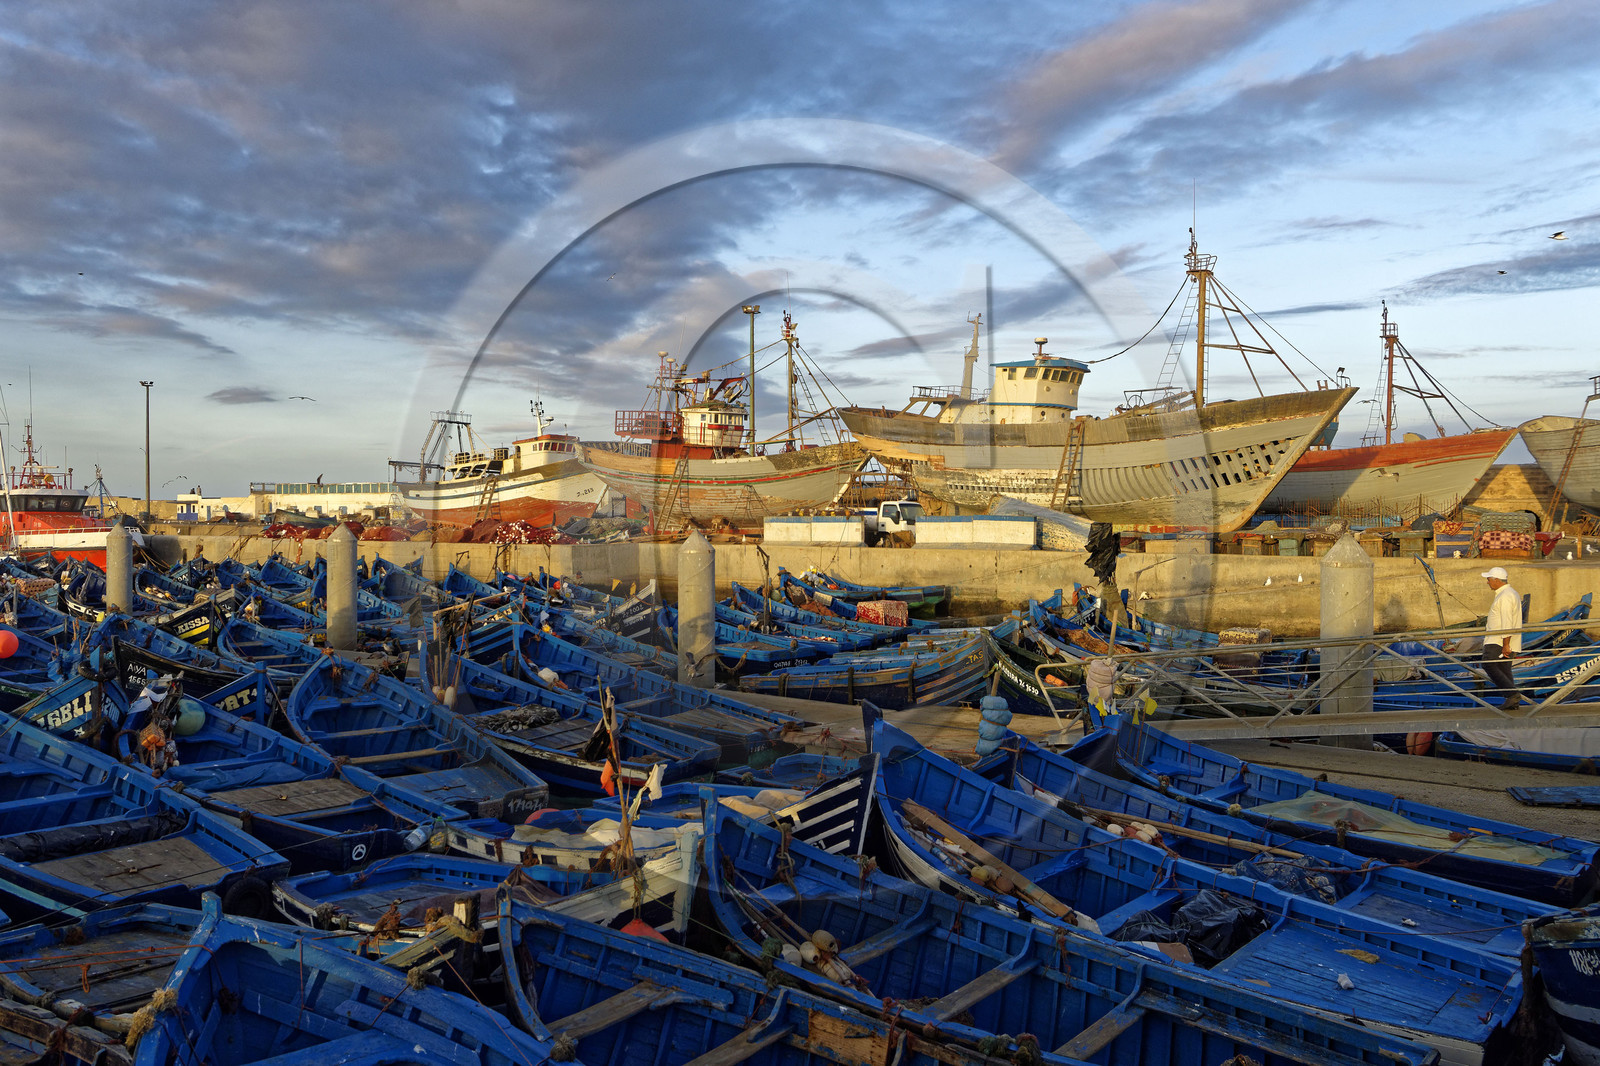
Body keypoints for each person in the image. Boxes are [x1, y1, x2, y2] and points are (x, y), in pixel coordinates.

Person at [1481, 566, 1523, 709]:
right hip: (1504, 640)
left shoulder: (1505, 596)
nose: (1487, 582)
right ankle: (1513, 702)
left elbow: (1507, 621)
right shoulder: (1510, 593)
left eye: (1489, 579)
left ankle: (1512, 695)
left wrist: (1506, 644)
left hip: (1498, 640)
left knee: (1488, 664)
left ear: (1497, 580)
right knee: (1504, 669)